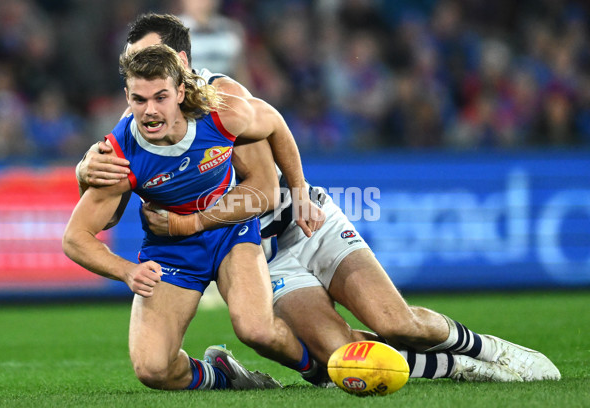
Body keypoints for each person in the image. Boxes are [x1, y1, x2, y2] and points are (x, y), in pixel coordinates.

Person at [77, 13, 560, 384]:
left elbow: (264, 193)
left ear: (181, 67)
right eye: (134, 69)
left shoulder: (223, 103)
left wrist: (193, 224)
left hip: (299, 222)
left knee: (396, 322)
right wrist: (85, 171)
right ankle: (459, 369)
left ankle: (489, 350)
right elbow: (110, 202)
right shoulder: (140, 127)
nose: (142, 85)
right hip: (267, 259)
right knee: (338, 356)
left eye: (154, 63)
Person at [63, 44, 330, 392]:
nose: (150, 111)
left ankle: (319, 372)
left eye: (160, 97)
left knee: (258, 331)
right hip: (171, 251)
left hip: (228, 230)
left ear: (180, 92)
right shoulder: (119, 156)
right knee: (153, 369)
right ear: (126, 98)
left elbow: (275, 123)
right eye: (139, 100)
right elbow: (75, 237)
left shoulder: (219, 113)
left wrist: (299, 191)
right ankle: (224, 376)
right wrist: (127, 271)